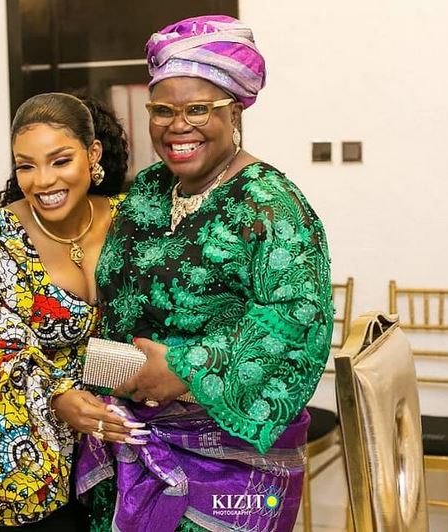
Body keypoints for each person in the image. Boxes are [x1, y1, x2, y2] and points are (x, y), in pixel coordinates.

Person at [75, 15, 334, 532]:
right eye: (162, 110)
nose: (178, 126)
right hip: (129, 441)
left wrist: (185, 368)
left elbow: (299, 318)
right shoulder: (149, 189)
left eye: (198, 109)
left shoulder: (269, 203)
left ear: (234, 111)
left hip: (223, 467)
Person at [0, 92, 134, 530]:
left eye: (60, 161)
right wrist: (56, 396)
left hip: (127, 440)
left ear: (93, 154)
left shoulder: (132, 221)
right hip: (36, 454)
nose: (43, 181)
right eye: (26, 166)